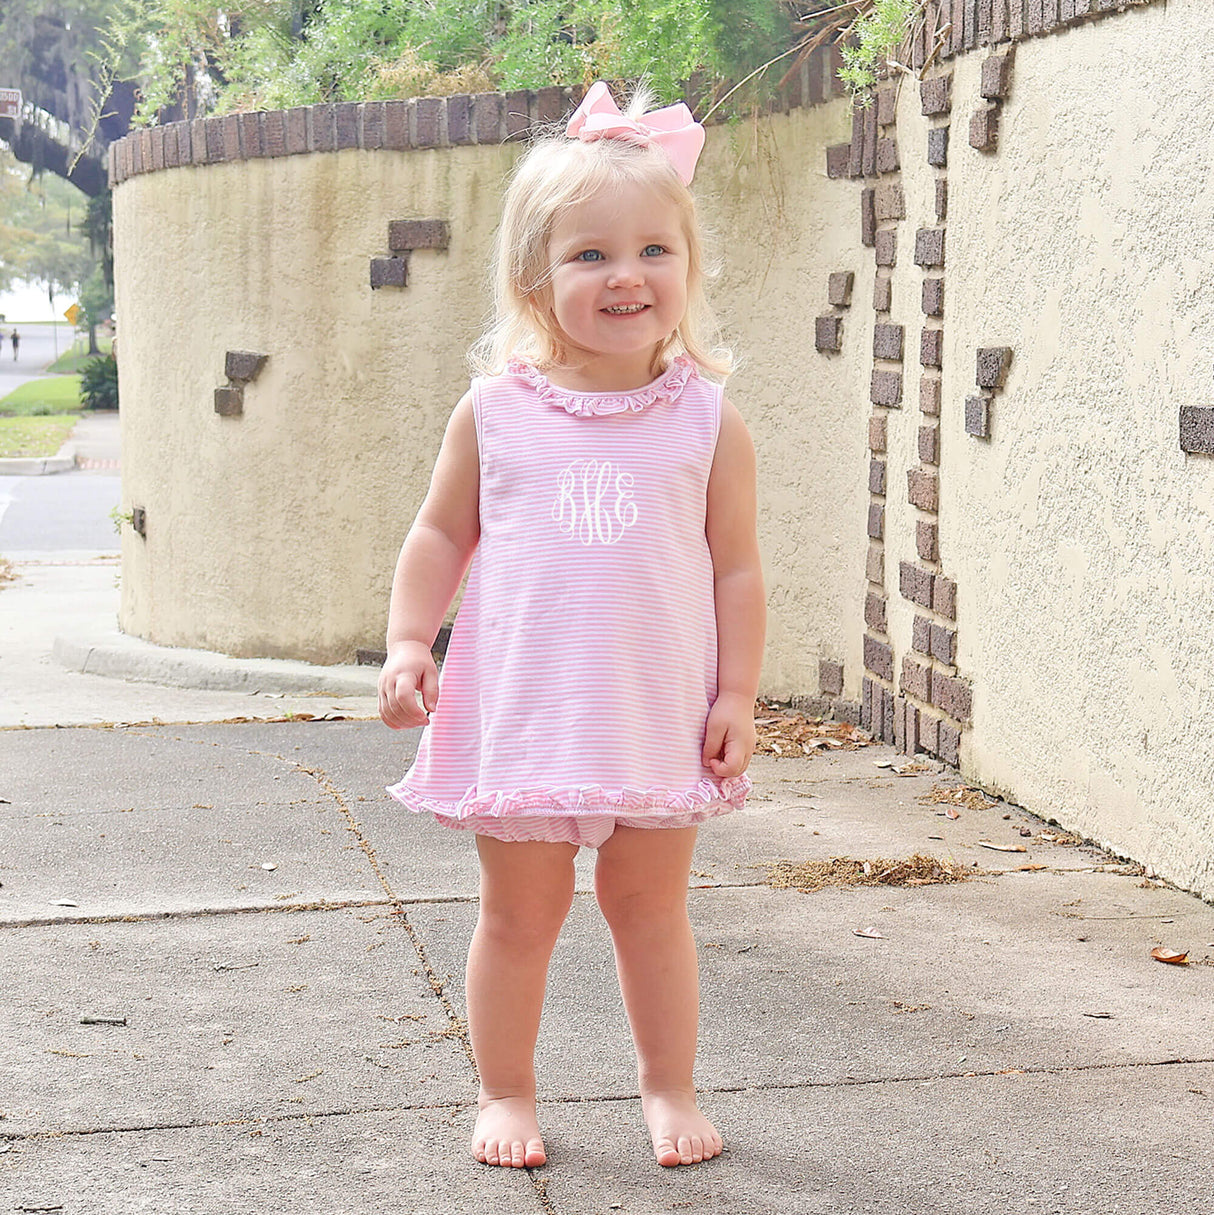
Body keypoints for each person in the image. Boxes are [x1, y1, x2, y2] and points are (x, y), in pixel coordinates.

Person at [378, 81, 765, 1172]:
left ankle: (665, 1085)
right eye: (589, 255)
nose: (625, 275)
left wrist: (735, 693)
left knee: (650, 913)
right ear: (533, 279)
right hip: (526, 716)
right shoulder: (495, 410)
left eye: (653, 250)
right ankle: (506, 1092)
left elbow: (734, 568)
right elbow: (436, 536)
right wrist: (412, 638)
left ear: (687, 270)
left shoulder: (705, 417)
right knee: (517, 920)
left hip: (657, 714)